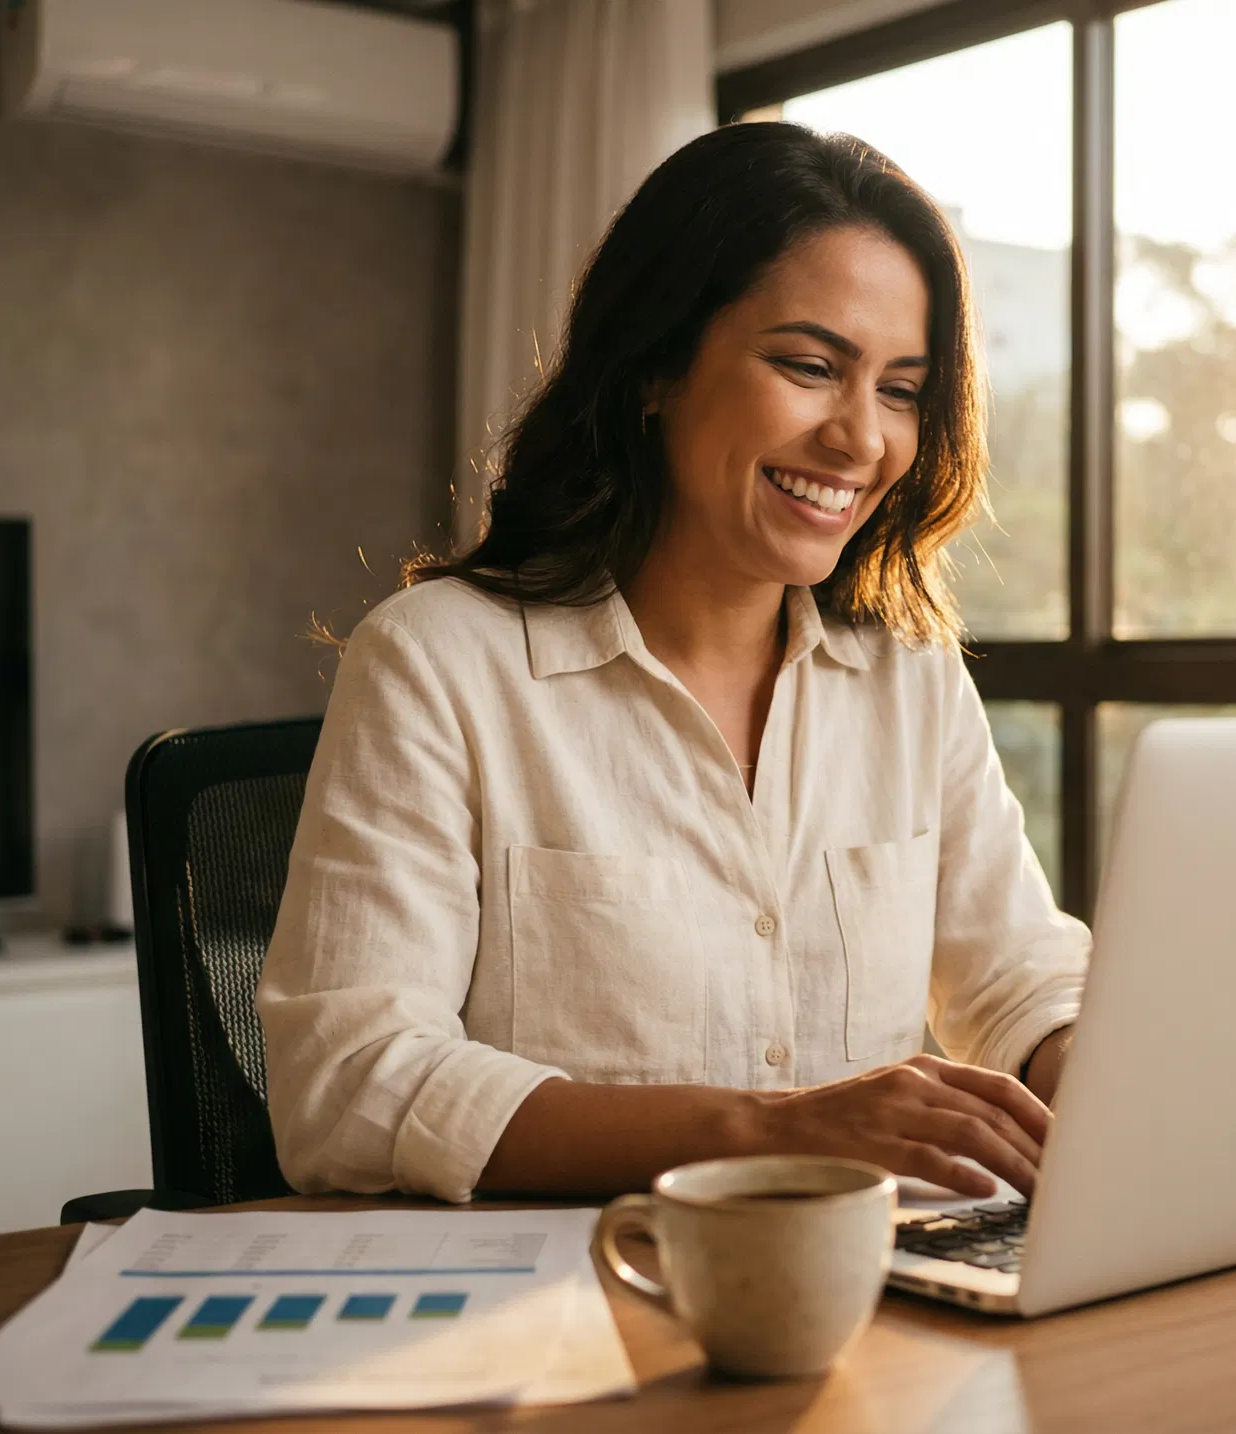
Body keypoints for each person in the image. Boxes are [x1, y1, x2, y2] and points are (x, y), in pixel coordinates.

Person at [256, 123, 1089, 1206]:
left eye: (900, 390)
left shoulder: (911, 676)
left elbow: (1016, 972)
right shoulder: (438, 663)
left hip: (869, 1296)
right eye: (809, 366)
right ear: (656, 366)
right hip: (564, 1308)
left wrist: (1096, 1076)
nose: (862, 439)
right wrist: (771, 1131)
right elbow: (349, 1083)